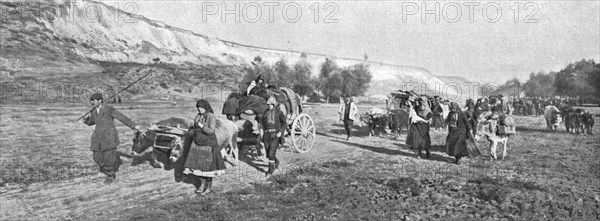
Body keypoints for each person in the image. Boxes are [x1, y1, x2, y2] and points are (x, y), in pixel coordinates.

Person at [83, 93, 140, 184]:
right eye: (91, 101)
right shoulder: (93, 111)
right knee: (97, 157)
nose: (92, 103)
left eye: (93, 101)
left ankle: (111, 176)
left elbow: (120, 117)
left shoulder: (108, 108)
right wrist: (86, 120)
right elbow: (93, 122)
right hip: (97, 138)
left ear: (100, 100)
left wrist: (133, 126)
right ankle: (106, 169)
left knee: (108, 158)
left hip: (109, 137)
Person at [183, 99, 225, 195]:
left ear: (205, 107)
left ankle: (209, 186)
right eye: (198, 108)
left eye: (201, 108)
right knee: (198, 165)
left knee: (207, 166)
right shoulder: (198, 116)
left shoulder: (211, 116)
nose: (199, 109)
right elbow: (195, 127)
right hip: (197, 143)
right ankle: (202, 184)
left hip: (208, 143)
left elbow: (211, 131)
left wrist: (202, 126)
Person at [262, 97, 287, 176]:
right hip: (266, 135)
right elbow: (262, 123)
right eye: (268, 105)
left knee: (271, 153)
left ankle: (270, 171)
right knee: (268, 153)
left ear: (273, 105)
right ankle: (276, 161)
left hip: (274, 135)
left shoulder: (279, 113)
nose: (269, 106)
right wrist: (262, 130)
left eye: (270, 105)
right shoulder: (265, 113)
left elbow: (284, 123)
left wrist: (280, 132)